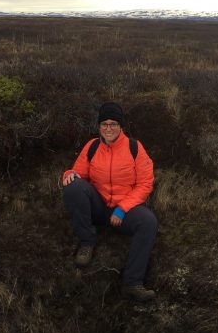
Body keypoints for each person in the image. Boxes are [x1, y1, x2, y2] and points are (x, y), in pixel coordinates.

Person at [62, 102, 157, 302]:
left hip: (125, 210)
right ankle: (87, 241)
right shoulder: (92, 146)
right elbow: (78, 173)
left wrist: (123, 209)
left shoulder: (134, 148)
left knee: (148, 222)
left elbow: (145, 183)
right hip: (99, 206)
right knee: (73, 186)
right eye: (104, 124)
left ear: (121, 126)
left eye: (113, 124)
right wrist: (69, 174)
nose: (108, 128)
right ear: (99, 126)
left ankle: (133, 283)